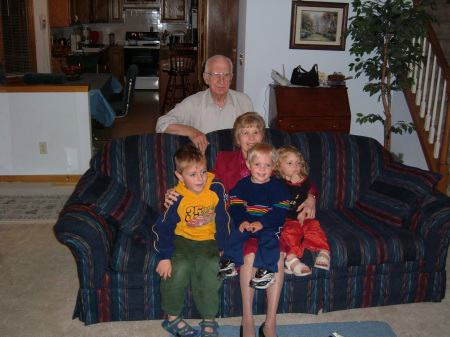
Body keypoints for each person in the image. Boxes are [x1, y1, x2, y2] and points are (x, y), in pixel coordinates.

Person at [165, 112, 318, 337]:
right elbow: (200, 180)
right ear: (237, 138)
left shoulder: (271, 160)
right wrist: (175, 191)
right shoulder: (225, 160)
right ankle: (247, 322)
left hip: (269, 222)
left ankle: (270, 324)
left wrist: (312, 195)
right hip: (239, 222)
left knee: (277, 253)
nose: (250, 136)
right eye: (245, 132)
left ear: (263, 135)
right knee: (248, 255)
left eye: (255, 131)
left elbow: (298, 179)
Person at [153, 144, 231, 337]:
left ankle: (209, 319)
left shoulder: (215, 188)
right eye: (193, 175)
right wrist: (164, 256)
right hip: (182, 239)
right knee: (177, 267)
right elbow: (163, 227)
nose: (200, 179)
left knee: (211, 266)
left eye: (203, 172)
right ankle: (172, 319)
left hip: (208, 240)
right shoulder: (177, 197)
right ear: (179, 176)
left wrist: (222, 245)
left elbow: (223, 218)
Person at [218, 143, 290, 292]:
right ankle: (229, 262)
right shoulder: (242, 185)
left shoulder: (279, 189)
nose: (262, 169)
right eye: (257, 164)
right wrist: (242, 221)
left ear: (274, 167)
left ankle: (267, 270)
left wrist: (262, 223)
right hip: (248, 221)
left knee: (270, 239)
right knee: (236, 233)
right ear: (248, 165)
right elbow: (236, 206)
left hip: (268, 223)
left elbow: (279, 212)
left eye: (267, 165)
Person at [155, 55, 253, 153]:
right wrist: (191, 132)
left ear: (231, 78)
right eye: (216, 75)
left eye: (226, 75)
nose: (221, 81)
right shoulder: (193, 103)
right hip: (205, 163)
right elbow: (162, 124)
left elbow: (256, 133)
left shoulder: (244, 101)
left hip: (236, 163)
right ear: (206, 78)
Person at [276, 145, 330, 276]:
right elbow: (286, 200)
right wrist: (294, 185)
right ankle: (291, 258)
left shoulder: (305, 181)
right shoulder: (277, 182)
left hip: (302, 216)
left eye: (298, 163)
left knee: (313, 226)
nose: (295, 166)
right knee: (291, 232)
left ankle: (324, 251)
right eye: (289, 163)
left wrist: (305, 214)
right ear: (278, 166)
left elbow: (309, 192)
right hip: (286, 218)